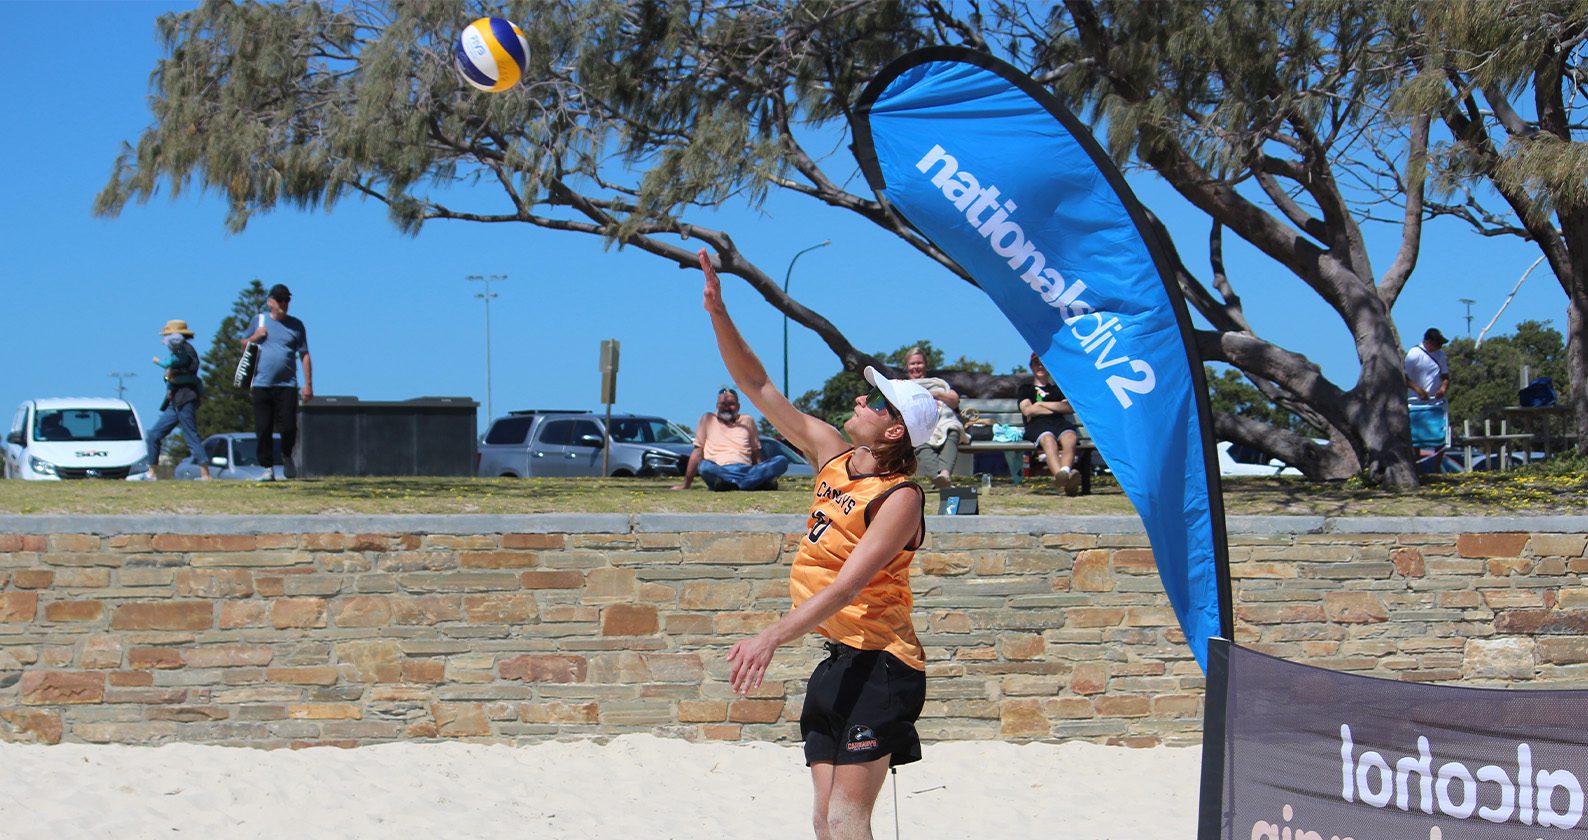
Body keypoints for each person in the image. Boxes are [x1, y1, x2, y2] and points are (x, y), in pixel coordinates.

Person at [692, 248, 934, 840]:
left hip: (883, 665)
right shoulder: (831, 452)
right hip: (837, 660)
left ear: (896, 429)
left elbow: (850, 582)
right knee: (826, 822)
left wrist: (769, 636)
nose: (860, 400)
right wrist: (719, 313)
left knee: (851, 819)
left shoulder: (900, 496)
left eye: (875, 402)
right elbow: (758, 384)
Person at [240, 284, 312, 481]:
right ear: (270, 301)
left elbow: (304, 354)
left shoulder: (296, 325)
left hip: (287, 384)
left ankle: (287, 455)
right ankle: (267, 467)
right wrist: (256, 336)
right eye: (280, 299)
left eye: (287, 300)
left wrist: (308, 384)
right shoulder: (259, 321)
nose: (283, 304)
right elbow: (243, 344)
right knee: (263, 427)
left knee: (289, 427)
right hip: (262, 383)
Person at [670, 387, 789, 491]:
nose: (726, 407)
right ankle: (751, 483)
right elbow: (697, 452)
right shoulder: (707, 419)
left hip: (746, 469)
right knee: (704, 466)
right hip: (719, 470)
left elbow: (756, 452)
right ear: (717, 406)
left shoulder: (747, 420)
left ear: (738, 406)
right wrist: (686, 484)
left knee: (781, 460)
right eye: (723, 404)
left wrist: (760, 470)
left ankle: (733, 484)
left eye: (731, 404)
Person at [145, 319, 210, 480]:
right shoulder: (179, 351)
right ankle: (151, 472)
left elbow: (190, 375)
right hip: (175, 400)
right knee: (154, 435)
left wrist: (173, 378)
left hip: (185, 398)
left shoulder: (186, 351)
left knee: (190, 435)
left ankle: (205, 473)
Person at [1019, 353, 1083, 495]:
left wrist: (1041, 404)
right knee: (1049, 440)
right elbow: (1028, 410)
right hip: (1037, 426)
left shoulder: (1057, 389)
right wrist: (1055, 407)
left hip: (1059, 423)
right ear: (1031, 366)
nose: (1040, 366)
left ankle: (1065, 473)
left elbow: (1068, 408)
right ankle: (1063, 479)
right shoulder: (1025, 389)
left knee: (1071, 437)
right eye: (1036, 363)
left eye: (1042, 363)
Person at [903, 347, 964, 490]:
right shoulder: (903, 386)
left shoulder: (938, 384)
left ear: (925, 365)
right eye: (913, 364)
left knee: (952, 429)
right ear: (907, 367)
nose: (916, 367)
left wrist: (935, 394)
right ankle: (940, 477)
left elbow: (954, 401)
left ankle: (943, 475)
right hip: (919, 423)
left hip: (943, 420)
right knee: (918, 439)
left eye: (919, 363)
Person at [1404, 327, 1450, 404]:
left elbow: (1445, 377)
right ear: (1429, 342)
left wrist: (1443, 389)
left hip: (1435, 403)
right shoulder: (1414, 353)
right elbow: (1404, 377)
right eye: (1438, 344)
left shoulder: (1441, 355)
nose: (1440, 346)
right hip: (1416, 402)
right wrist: (1419, 391)